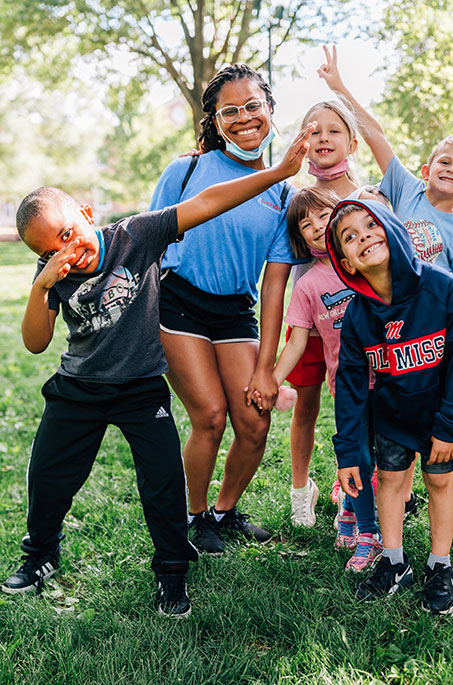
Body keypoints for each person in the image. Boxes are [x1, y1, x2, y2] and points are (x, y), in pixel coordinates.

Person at [0, 126, 314, 616]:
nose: (64, 252)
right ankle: (41, 553)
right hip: (78, 387)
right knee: (48, 477)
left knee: (165, 483)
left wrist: (276, 173)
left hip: (141, 389)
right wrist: (41, 286)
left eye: (66, 235)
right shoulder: (54, 275)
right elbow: (36, 343)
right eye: (48, 251)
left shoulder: (134, 237)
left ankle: (172, 571)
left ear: (86, 213)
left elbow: (208, 201)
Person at [318, 43, 453, 536]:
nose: (451, 171)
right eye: (445, 161)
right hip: (394, 328)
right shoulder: (405, 190)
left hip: (438, 327)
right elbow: (374, 133)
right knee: (396, 410)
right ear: (428, 164)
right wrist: (339, 88)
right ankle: (402, 490)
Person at [150, 64, 307, 555]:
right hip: (179, 305)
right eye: (229, 111)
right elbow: (148, 242)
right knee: (211, 416)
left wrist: (267, 369)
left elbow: (275, 286)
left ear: (270, 111)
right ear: (215, 121)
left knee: (255, 421)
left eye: (252, 106)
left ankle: (224, 509)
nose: (243, 117)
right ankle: (196, 517)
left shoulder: (283, 194)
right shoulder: (187, 170)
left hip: (236, 312)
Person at [326, 198, 453, 614]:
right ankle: (394, 562)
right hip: (391, 417)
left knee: (438, 484)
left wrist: (450, 426)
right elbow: (351, 386)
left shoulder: (441, 286)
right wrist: (348, 452)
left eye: (371, 226)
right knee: (391, 484)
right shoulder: (358, 314)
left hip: (438, 418)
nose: (364, 237)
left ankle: (439, 563)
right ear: (348, 263)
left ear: (392, 230)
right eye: (350, 237)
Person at [282, 99, 383, 542]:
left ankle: (362, 493)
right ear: (302, 143)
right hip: (311, 315)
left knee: (372, 410)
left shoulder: (368, 199)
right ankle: (302, 489)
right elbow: (278, 271)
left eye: (332, 130)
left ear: (351, 141)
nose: (322, 137)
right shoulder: (294, 198)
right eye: (312, 130)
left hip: (361, 322)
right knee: (308, 404)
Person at [270, 186, 382, 571]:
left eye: (324, 215)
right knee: (358, 456)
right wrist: (274, 379)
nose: (317, 226)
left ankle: (350, 509)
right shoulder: (307, 286)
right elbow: (297, 342)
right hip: (348, 385)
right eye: (306, 224)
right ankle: (368, 532)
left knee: (378, 453)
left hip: (389, 375)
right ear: (299, 238)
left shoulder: (367, 261)